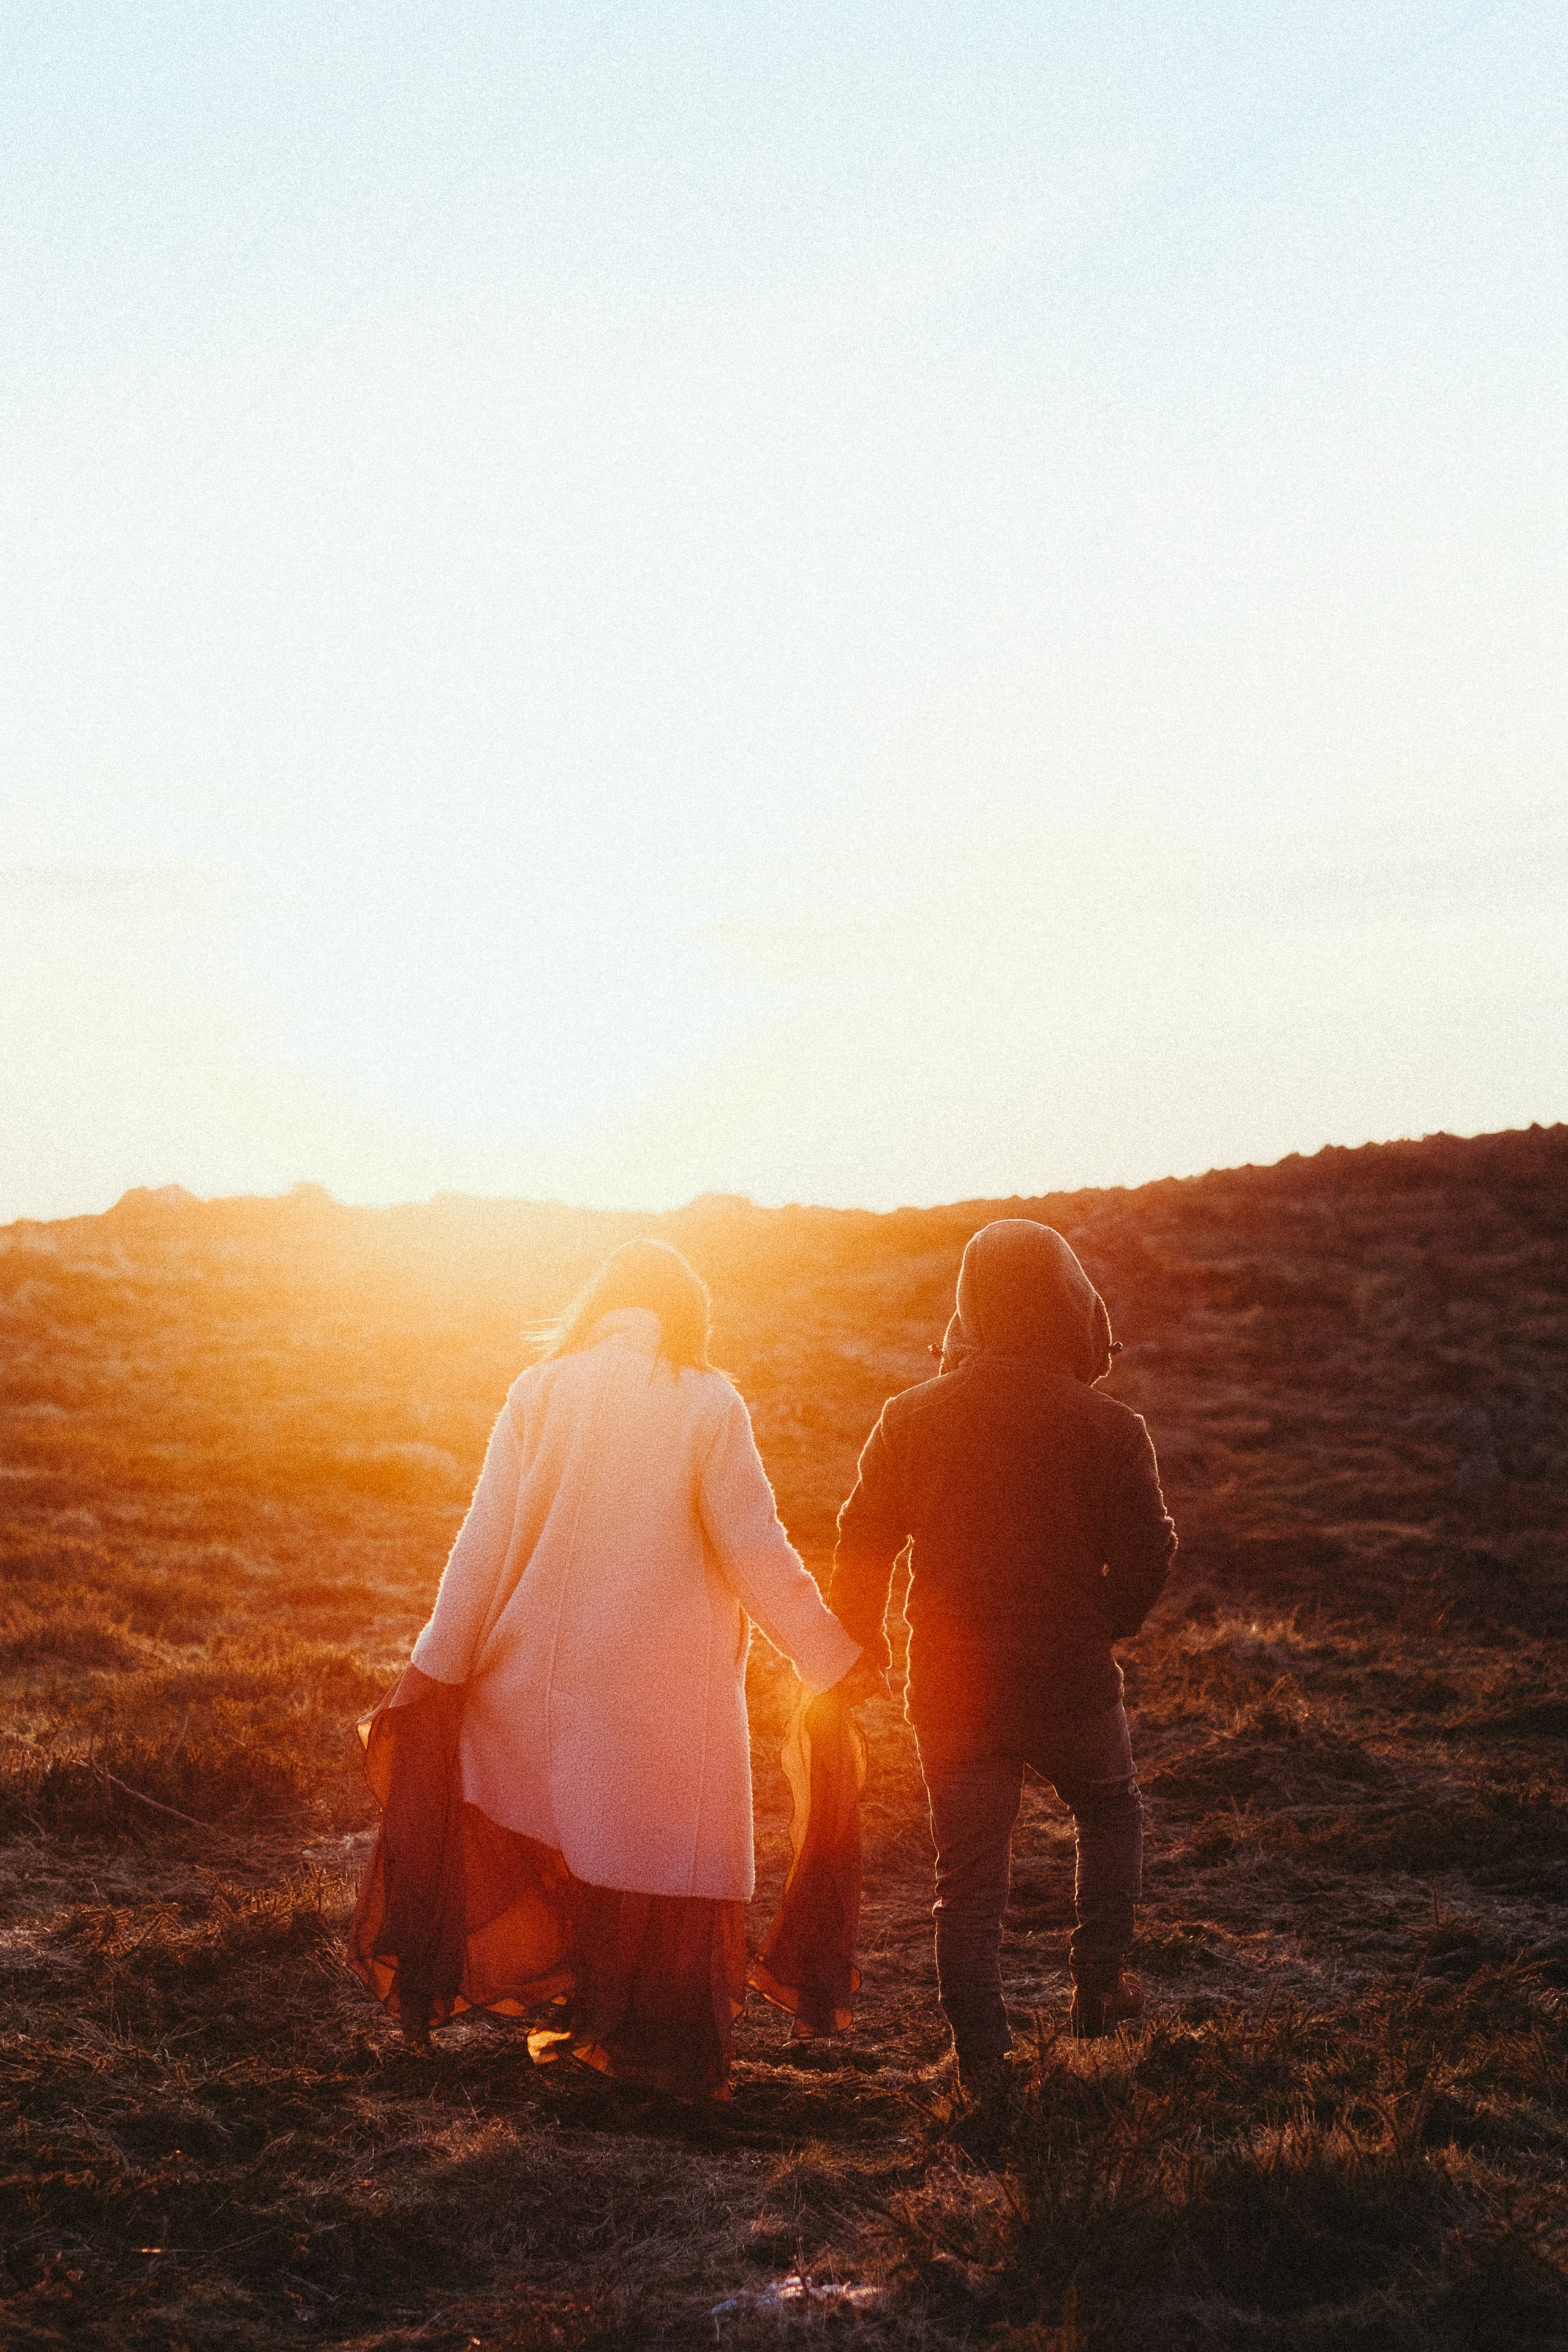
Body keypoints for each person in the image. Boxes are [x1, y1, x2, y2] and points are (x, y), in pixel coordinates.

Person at [348, 1238, 878, 2100]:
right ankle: (636, 2044)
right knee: (652, 1856)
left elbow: (479, 1548)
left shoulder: (539, 1391)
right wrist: (828, 1656)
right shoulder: (706, 1399)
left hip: (536, 1685)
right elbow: (756, 1551)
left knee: (569, 1838)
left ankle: (586, 2017)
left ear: (602, 1303)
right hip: (661, 1694)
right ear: (687, 1316)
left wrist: (432, 1670)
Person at [828, 1218, 1176, 2094]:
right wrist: (1109, 1620)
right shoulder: (1109, 1424)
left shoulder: (911, 1416)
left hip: (953, 1684)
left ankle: (984, 2064)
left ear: (971, 1301)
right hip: (1069, 1672)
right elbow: (1151, 1550)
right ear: (1067, 1298)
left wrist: (858, 1642)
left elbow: (861, 1540)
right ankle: (1097, 1981)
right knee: (1109, 1805)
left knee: (968, 1887)